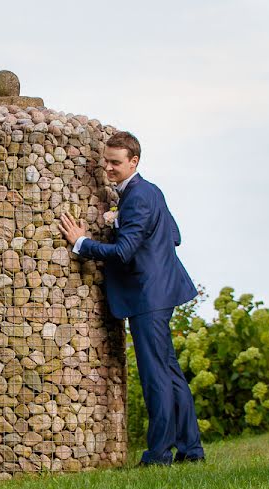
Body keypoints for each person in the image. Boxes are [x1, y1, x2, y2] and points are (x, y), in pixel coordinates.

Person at [58, 132, 205, 466]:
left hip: (147, 296)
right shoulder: (148, 192)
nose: (108, 168)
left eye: (115, 163)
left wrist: (82, 242)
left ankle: (158, 455)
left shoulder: (137, 197)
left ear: (133, 161)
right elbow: (174, 234)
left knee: (156, 377)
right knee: (169, 372)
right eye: (105, 161)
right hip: (159, 290)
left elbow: (124, 253)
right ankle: (191, 450)